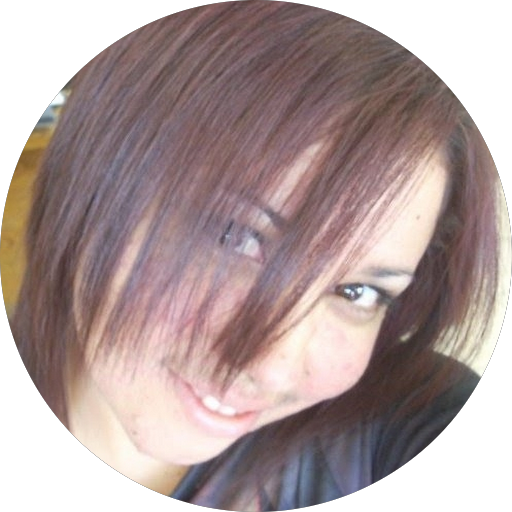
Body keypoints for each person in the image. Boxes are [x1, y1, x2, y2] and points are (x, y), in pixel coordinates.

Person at [11, 2, 506, 509]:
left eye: (358, 292)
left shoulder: (396, 428)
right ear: (98, 172)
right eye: (236, 235)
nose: (273, 369)